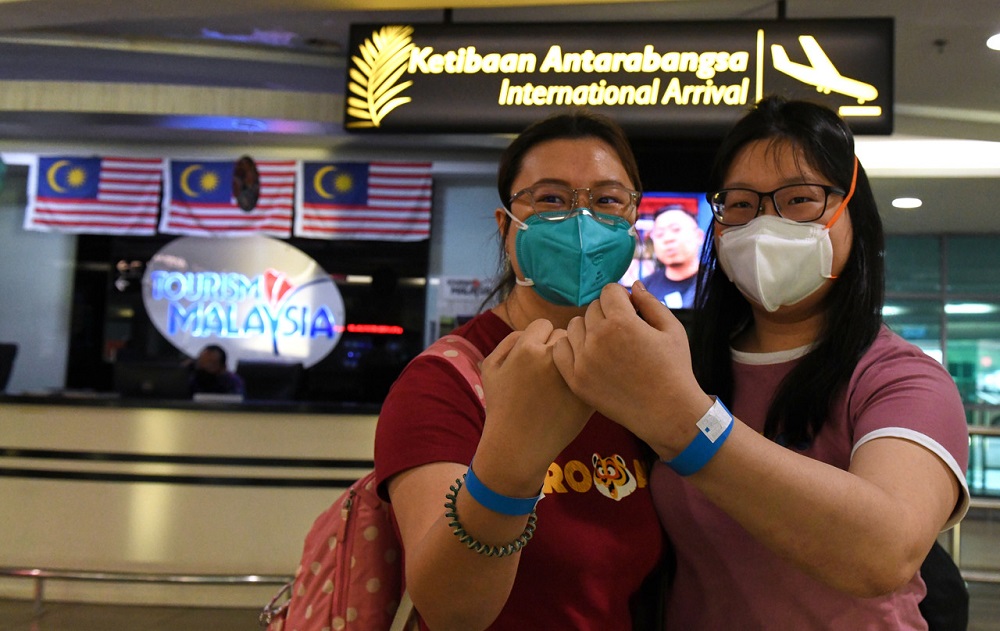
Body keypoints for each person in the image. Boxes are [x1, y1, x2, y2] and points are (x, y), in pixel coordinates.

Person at [547, 96, 970, 628]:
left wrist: (683, 420)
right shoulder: (686, 359)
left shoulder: (901, 379)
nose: (766, 225)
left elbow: (885, 552)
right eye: (742, 204)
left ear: (852, 212)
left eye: (799, 199)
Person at [374, 110, 665, 630]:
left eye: (606, 200)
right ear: (506, 225)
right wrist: (511, 458)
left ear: (633, 220)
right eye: (551, 198)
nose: (581, 221)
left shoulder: (643, 371)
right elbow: (451, 610)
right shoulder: (444, 384)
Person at [639, 204, 704, 309]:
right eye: (660, 234)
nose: (668, 239)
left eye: (676, 229)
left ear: (699, 236)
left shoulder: (717, 283)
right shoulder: (644, 289)